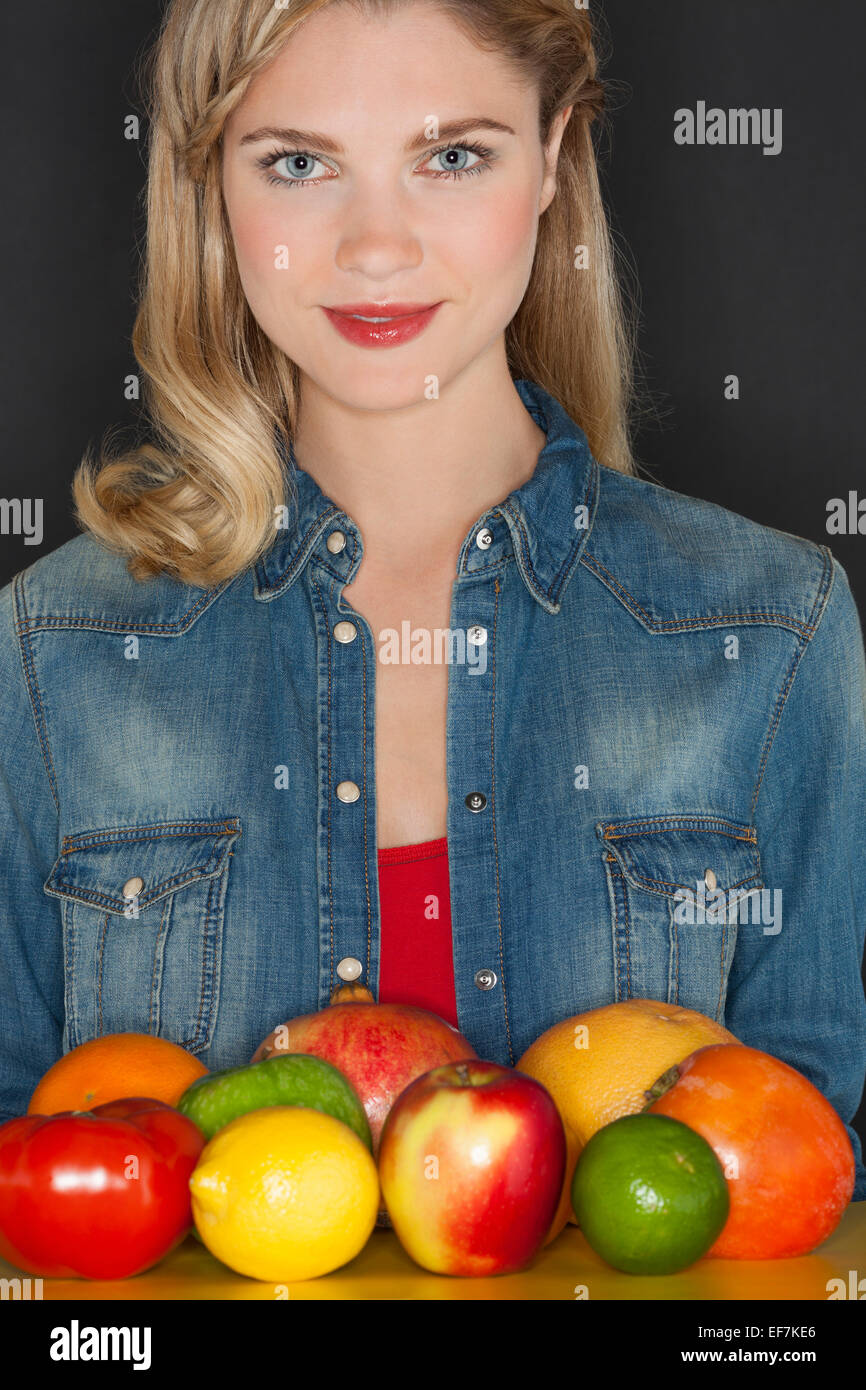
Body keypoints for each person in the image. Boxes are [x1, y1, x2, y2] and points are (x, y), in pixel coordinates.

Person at [1, 0, 864, 1200]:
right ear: (210, 183)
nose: (374, 245)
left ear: (553, 153)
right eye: (298, 163)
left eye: (450, 155)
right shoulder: (54, 653)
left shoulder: (772, 630)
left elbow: (808, 1190)